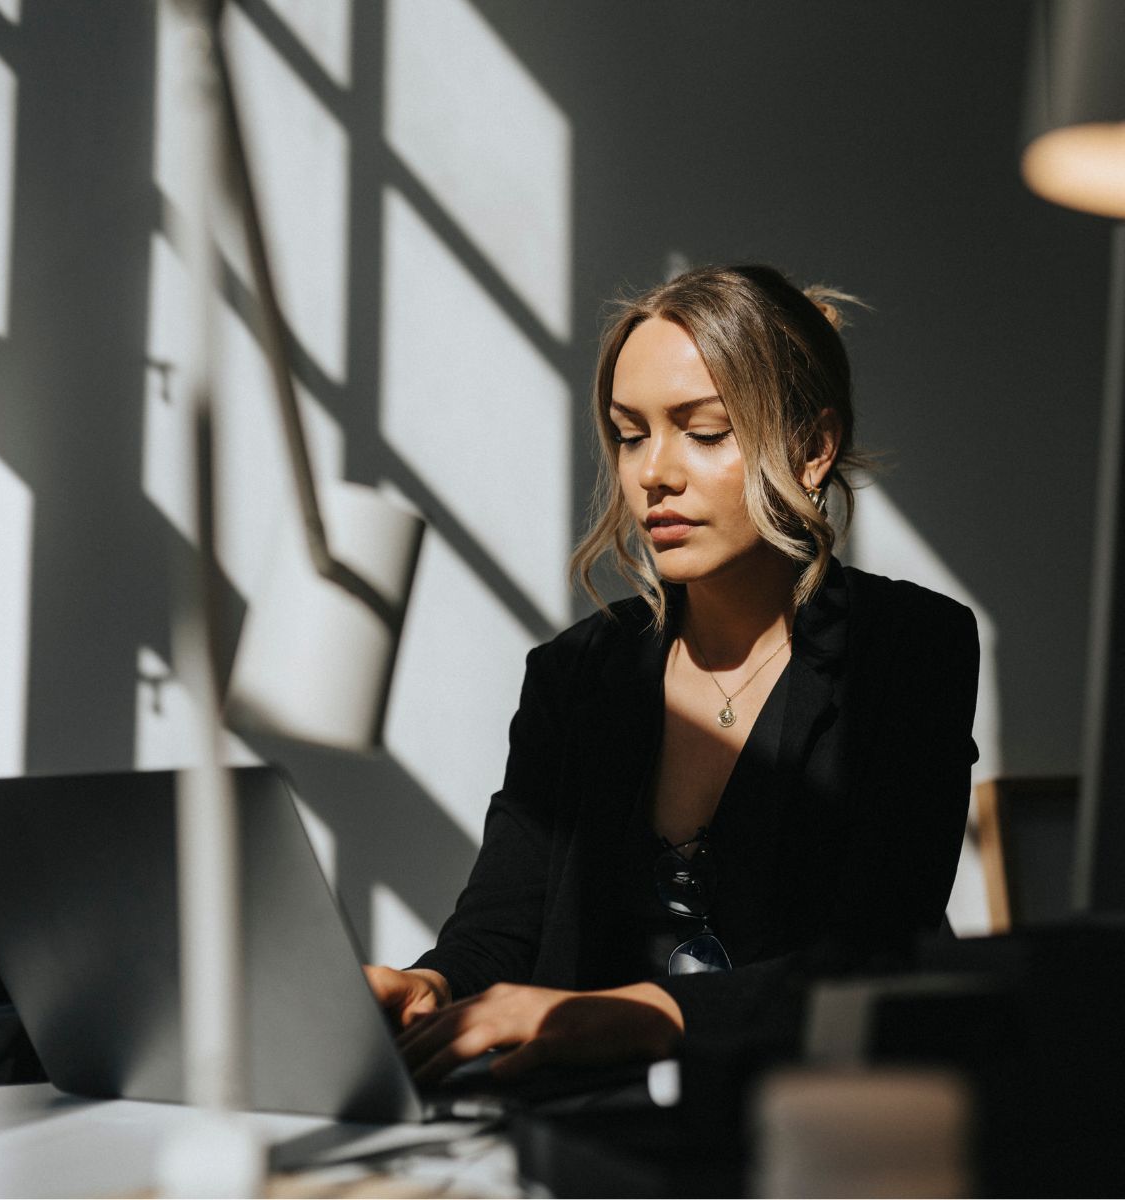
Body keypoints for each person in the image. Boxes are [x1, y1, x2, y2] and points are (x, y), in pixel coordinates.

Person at [365, 264, 979, 1086]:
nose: (653, 472)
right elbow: (502, 927)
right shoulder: (573, 676)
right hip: (589, 1138)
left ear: (812, 449)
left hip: (828, 1128)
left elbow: (877, 951)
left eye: (704, 430)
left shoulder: (908, 648)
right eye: (630, 433)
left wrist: (650, 1013)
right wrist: (428, 984)